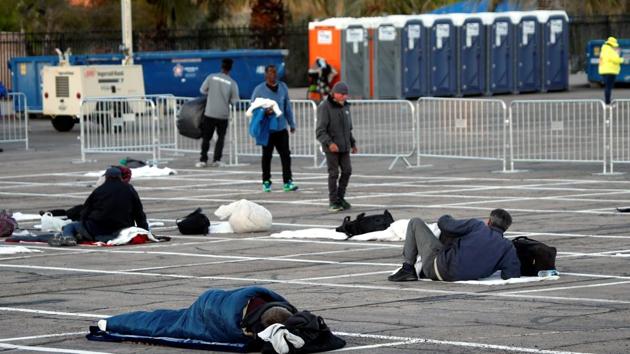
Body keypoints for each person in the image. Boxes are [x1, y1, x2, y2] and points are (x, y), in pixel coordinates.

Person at [388, 209, 520, 282]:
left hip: (438, 267)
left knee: (415, 222)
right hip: (460, 276)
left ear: (489, 221)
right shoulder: (508, 247)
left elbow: (444, 224)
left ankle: (407, 269)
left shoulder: (478, 226)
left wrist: (446, 216)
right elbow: (510, 275)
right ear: (505, 229)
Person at [48, 167, 148, 246]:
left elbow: (86, 210)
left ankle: (68, 237)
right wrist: (144, 231)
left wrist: (83, 224)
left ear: (107, 177)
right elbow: (139, 213)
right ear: (119, 177)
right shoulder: (129, 189)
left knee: (71, 226)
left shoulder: (100, 190)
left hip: (98, 228)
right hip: (122, 228)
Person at [251, 64, 298, 193]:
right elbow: (253, 107)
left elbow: (287, 106)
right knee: (267, 156)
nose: (274, 75)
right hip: (267, 129)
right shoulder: (259, 90)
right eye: (271, 72)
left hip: (281, 128)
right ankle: (266, 182)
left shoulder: (283, 87)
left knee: (286, 155)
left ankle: (287, 182)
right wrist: (264, 111)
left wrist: (291, 123)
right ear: (266, 75)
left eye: (275, 72)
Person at [316, 82, 357, 212]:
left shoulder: (346, 107)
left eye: (346, 94)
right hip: (331, 147)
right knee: (333, 173)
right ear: (334, 93)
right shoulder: (325, 107)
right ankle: (333, 201)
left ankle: (340, 197)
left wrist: (353, 143)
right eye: (342, 94)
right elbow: (320, 131)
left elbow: (348, 129)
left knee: (347, 171)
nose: (344, 97)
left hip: (344, 146)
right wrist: (330, 143)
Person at [196, 58, 240, 168]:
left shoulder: (211, 77)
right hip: (223, 114)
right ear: (230, 68)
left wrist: (211, 94)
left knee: (206, 137)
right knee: (220, 138)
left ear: (221, 67)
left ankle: (203, 159)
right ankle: (217, 160)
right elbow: (235, 100)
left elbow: (202, 90)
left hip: (210, 112)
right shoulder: (232, 83)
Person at [598, 36, 624, 105]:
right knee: (608, 87)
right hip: (610, 71)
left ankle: (607, 101)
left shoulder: (603, 50)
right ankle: (608, 102)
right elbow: (616, 60)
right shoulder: (610, 50)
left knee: (607, 87)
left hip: (603, 71)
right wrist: (622, 59)